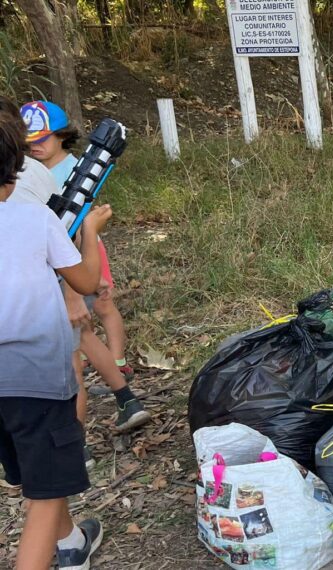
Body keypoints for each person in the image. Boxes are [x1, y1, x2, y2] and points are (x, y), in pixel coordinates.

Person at [0, 114, 105, 570]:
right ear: (14, 170)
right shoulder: (32, 216)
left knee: (34, 476)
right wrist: (90, 232)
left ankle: (73, 542)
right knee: (45, 496)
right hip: (37, 378)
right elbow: (85, 281)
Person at [21, 100, 149, 434]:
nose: (35, 147)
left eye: (42, 139)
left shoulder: (61, 172)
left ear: (61, 136)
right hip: (65, 271)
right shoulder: (33, 171)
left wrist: (78, 289)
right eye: (28, 141)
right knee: (85, 338)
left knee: (72, 360)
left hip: (70, 270)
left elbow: (73, 232)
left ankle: (75, 441)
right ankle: (125, 398)